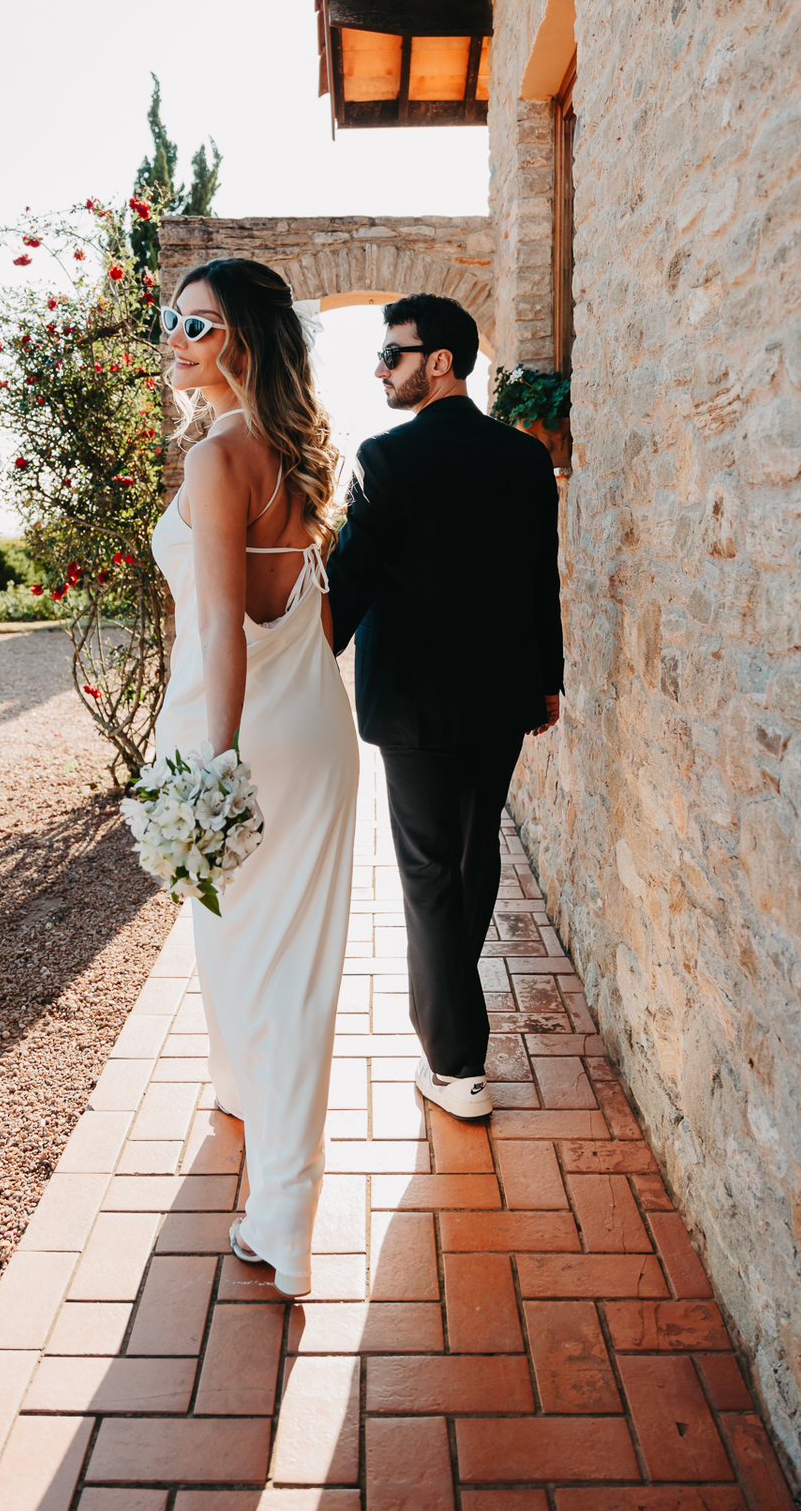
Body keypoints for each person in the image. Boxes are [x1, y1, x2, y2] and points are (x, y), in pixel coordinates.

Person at [151, 258, 358, 1297]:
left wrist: (218, 766)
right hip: (316, 727)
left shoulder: (214, 458)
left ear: (244, 339)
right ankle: (266, 1157)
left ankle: (280, 1217)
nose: (176, 337)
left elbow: (222, 631)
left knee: (246, 961)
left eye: (199, 323)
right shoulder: (300, 451)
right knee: (299, 969)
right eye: (173, 317)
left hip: (236, 731)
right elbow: (313, 611)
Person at [327, 293, 563, 1121]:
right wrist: (547, 679)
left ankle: (458, 1066)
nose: (380, 369)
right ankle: (451, 1035)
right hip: (502, 699)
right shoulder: (524, 458)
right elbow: (539, 577)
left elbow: (349, 580)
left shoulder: (384, 458)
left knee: (432, 873)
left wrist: (300, 655)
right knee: (471, 856)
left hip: (415, 706)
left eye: (392, 354)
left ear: (441, 362)